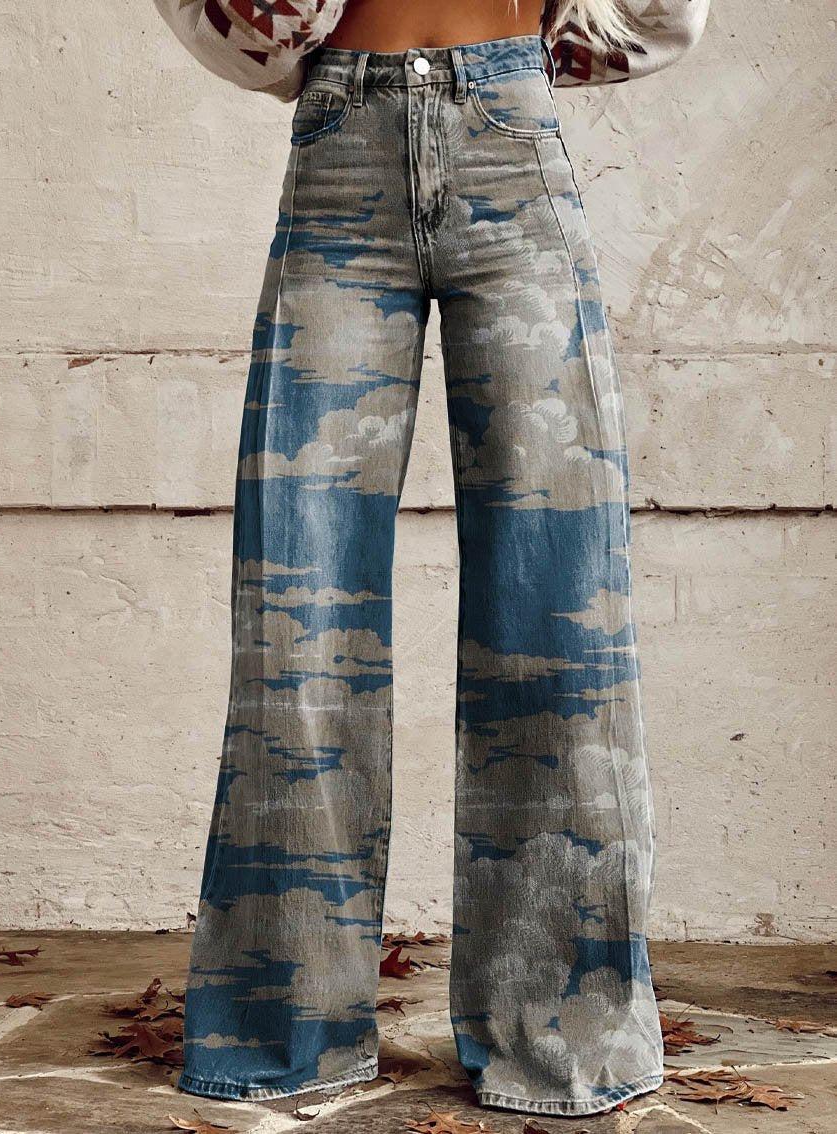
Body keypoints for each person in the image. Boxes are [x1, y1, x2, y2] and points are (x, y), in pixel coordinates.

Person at [152, 0, 709, 1118]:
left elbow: (665, 12)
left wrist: (531, 53)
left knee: (558, 610)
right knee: (298, 617)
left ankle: (562, 1033)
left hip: (511, 139)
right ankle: (282, 1030)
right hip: (338, 152)